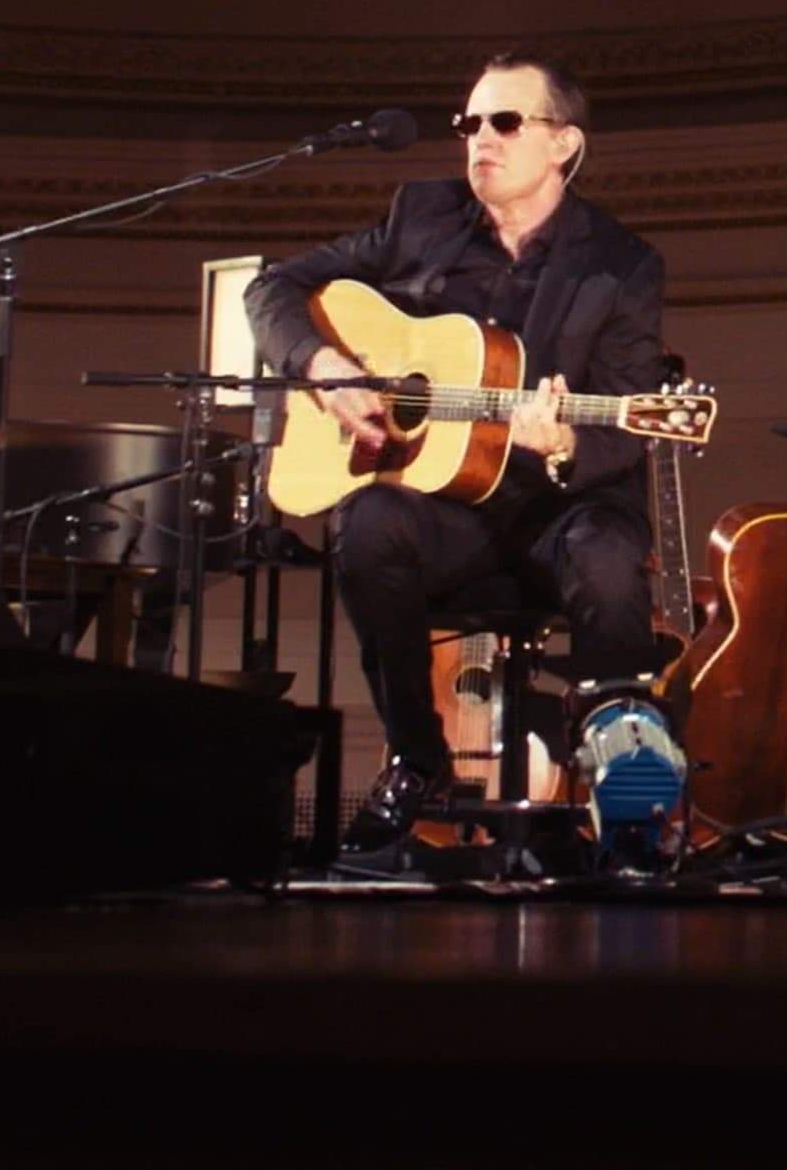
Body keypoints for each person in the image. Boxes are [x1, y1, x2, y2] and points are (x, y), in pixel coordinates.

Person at [245, 54, 685, 853]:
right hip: (450, 516)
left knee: (612, 554)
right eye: (471, 123)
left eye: (506, 122)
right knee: (367, 519)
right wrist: (329, 370)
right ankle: (419, 760)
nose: (480, 139)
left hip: (561, 514)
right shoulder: (421, 216)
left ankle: (623, 791)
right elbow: (272, 288)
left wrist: (565, 445)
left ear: (564, 144)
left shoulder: (621, 264)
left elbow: (629, 424)